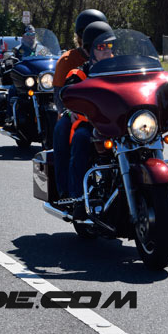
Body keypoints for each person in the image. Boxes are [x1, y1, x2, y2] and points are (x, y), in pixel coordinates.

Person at [58, 21, 115, 219]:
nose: (107, 51)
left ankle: (155, 192)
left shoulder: (121, 68)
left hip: (119, 125)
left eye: (109, 46)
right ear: (90, 51)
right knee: (81, 138)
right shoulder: (80, 73)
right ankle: (78, 198)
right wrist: (70, 101)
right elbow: (68, 91)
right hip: (91, 125)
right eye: (101, 47)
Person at [51, 9, 108, 196]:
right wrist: (68, 110)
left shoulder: (112, 60)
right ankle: (65, 192)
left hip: (108, 117)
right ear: (81, 36)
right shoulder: (68, 61)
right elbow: (59, 94)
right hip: (76, 113)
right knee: (62, 129)